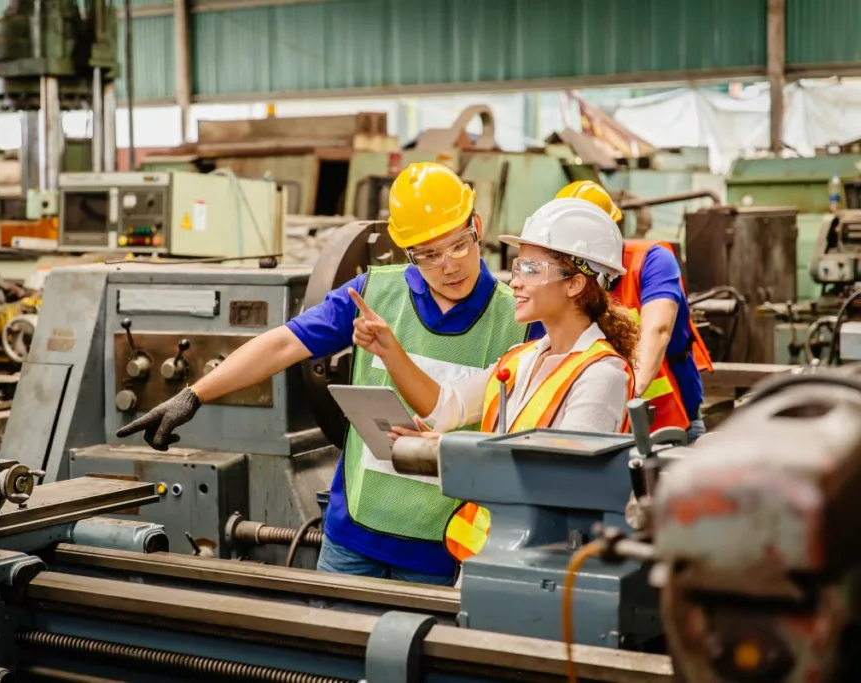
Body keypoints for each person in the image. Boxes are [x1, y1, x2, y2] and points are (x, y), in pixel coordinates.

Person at [115, 161, 528, 585]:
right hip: (352, 538)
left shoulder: (518, 318)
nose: (449, 266)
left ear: (477, 225)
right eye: (429, 255)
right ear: (408, 253)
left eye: (459, 245)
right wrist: (193, 395)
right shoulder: (372, 292)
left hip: (442, 544)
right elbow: (284, 343)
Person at [352, 197, 638, 565]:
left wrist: (446, 452)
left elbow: (565, 480)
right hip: (494, 554)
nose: (515, 282)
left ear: (575, 284)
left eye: (531, 269)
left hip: (545, 565)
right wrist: (390, 351)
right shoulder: (521, 359)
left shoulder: (600, 375)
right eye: (517, 267)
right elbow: (446, 407)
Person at [540, 180, 713, 441]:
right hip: (595, 427)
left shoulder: (652, 261)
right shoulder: (564, 280)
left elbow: (658, 329)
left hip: (670, 426)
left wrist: (626, 396)